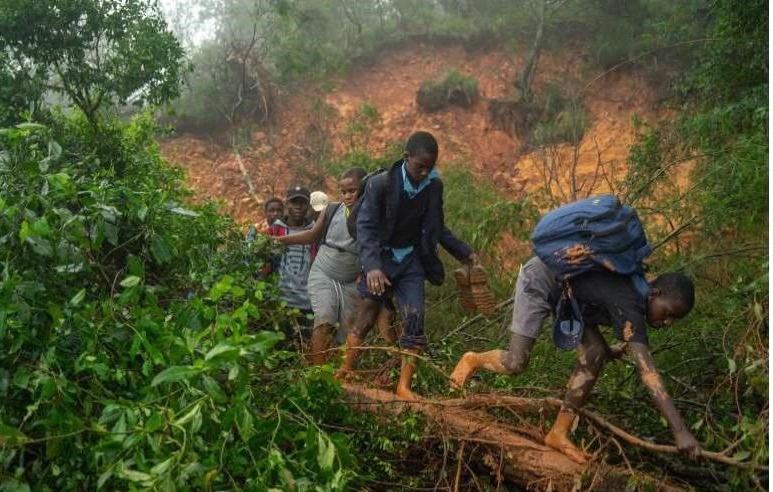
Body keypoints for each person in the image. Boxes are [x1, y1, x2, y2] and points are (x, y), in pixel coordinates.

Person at [449, 255, 699, 463]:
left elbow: (597, 295)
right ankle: (472, 359)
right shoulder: (632, 300)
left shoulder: (635, 298)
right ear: (654, 293)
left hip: (570, 297)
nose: (667, 322)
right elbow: (649, 375)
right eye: (668, 313)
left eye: (673, 320)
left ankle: (558, 433)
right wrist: (680, 431)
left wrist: (605, 349)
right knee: (515, 363)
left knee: (596, 352)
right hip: (541, 279)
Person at [339, 131, 477, 400]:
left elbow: (437, 227)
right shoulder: (381, 184)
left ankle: (403, 387)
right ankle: (345, 369)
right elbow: (366, 227)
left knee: (415, 317)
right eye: (419, 166)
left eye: (430, 167)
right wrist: (373, 267)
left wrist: (464, 253)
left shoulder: (434, 187)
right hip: (382, 258)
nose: (424, 172)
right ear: (406, 158)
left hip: (411, 260)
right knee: (367, 316)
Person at [279, 168, 396, 363]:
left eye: (353, 191)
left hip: (350, 281)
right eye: (343, 191)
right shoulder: (333, 210)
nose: (347, 196)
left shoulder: (375, 217)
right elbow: (313, 235)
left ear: (366, 189)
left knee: (347, 330)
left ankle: (338, 376)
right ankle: (317, 374)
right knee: (325, 318)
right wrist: (281, 240)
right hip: (324, 272)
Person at [269, 186, 315, 339]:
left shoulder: (315, 230)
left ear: (308, 206)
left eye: (303, 203)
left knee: (305, 345)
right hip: (281, 300)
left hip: (307, 301)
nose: (298, 207)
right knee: (280, 344)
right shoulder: (275, 230)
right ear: (287, 204)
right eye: (294, 202)